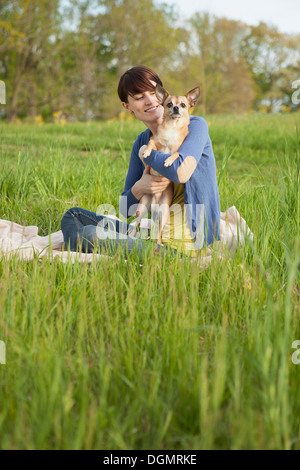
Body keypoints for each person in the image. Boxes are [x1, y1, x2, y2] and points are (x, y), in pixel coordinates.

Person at [61, 65, 220, 261]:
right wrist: (139, 187)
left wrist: (147, 155)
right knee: (74, 215)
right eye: (139, 97)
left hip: (182, 247)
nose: (150, 100)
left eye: (154, 93)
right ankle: (103, 243)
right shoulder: (142, 140)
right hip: (153, 234)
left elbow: (181, 172)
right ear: (127, 106)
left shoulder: (194, 126)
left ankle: (86, 243)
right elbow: (124, 210)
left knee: (90, 234)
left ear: (161, 96)